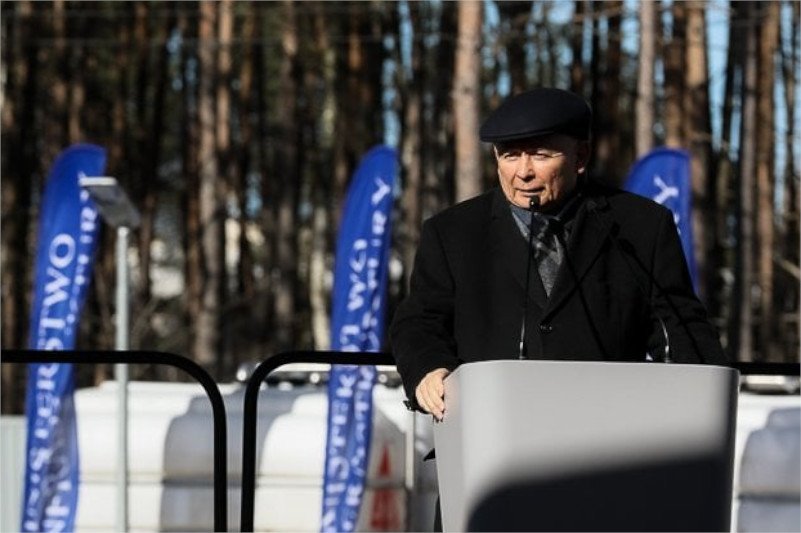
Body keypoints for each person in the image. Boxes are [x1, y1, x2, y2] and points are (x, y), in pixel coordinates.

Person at [390, 87, 727, 421]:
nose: (524, 172)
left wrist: (705, 397)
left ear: (580, 157)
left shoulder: (640, 227)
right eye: (510, 156)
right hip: (490, 430)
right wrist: (428, 369)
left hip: (607, 432)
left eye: (540, 155)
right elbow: (419, 322)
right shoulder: (453, 232)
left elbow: (680, 326)